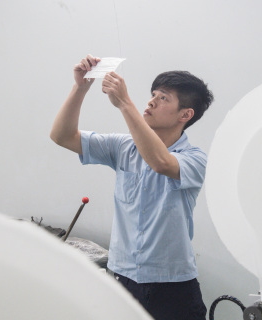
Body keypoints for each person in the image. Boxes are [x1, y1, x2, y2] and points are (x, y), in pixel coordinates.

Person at [50, 54, 214, 320]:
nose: (151, 101)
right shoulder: (124, 147)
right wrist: (80, 87)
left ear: (186, 114)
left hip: (173, 287)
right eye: (153, 94)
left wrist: (125, 103)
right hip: (122, 279)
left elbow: (161, 162)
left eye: (163, 98)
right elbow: (62, 136)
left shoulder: (195, 158)